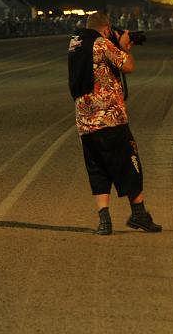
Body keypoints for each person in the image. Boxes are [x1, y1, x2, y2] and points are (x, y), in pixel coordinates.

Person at [67, 12, 161, 235]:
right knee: (130, 164)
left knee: (97, 169)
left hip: (85, 121)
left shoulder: (75, 43)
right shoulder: (101, 44)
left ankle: (104, 221)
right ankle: (139, 215)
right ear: (107, 29)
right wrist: (124, 46)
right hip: (110, 118)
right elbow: (127, 66)